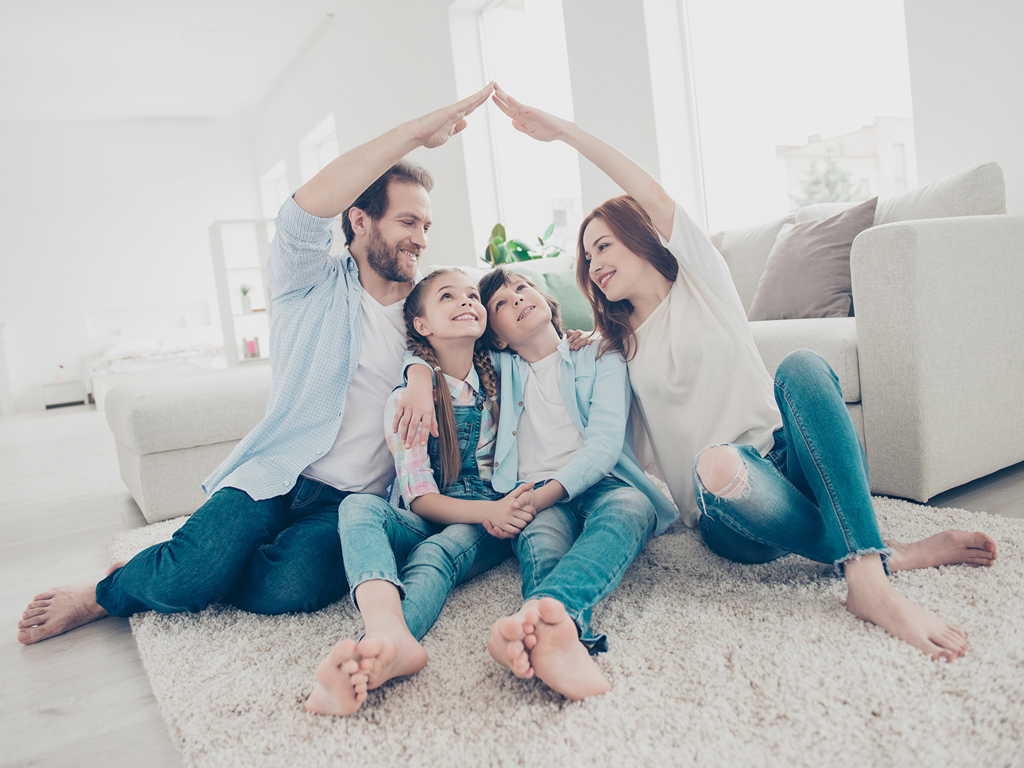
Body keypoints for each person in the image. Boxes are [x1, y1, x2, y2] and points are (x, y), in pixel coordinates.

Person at [490, 84, 998, 662]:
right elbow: (578, 412)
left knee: (803, 366)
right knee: (718, 462)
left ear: (640, 236)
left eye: (603, 246)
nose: (595, 264)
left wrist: (564, 132)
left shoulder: (702, 281)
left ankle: (867, 576)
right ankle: (888, 552)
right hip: (727, 510)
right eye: (587, 258)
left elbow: (651, 192)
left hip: (789, 462)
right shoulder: (614, 349)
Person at [16, 84, 496, 645]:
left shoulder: (430, 311)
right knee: (193, 573)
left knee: (290, 587)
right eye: (408, 222)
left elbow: (496, 334)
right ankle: (111, 591)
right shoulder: (307, 280)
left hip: (353, 502)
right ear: (361, 220)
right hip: (278, 472)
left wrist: (563, 338)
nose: (420, 240)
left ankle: (180, 564)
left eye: (426, 227)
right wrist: (413, 134)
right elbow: (298, 216)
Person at [305, 268, 537, 716]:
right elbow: (421, 500)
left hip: (487, 519)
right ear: (422, 325)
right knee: (357, 508)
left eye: (472, 296)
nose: (467, 301)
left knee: (436, 554)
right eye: (448, 296)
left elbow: (542, 347)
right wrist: (418, 376)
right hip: (435, 512)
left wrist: (577, 339)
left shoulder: (503, 375)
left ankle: (376, 653)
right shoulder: (407, 400)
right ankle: (383, 626)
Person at [472, 266, 678, 700]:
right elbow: (436, 353)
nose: (517, 298)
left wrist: (537, 500)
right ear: (498, 338)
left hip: (600, 481)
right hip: (532, 490)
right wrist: (417, 376)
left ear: (547, 301)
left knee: (633, 508)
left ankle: (539, 616)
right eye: (501, 304)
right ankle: (558, 637)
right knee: (543, 546)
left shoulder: (600, 353)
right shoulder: (496, 368)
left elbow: (604, 445)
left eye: (522, 288)